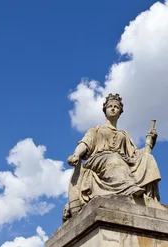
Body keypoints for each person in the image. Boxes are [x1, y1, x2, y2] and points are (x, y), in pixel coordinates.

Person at [63, 93, 161, 222]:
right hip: (98, 160)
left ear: (120, 112)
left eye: (116, 107)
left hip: (122, 162)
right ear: (105, 110)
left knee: (148, 158)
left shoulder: (124, 134)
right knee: (114, 158)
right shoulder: (96, 129)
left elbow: (135, 155)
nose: (113, 108)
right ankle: (129, 188)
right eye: (110, 106)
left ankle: (143, 197)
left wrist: (149, 142)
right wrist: (76, 154)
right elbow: (85, 144)